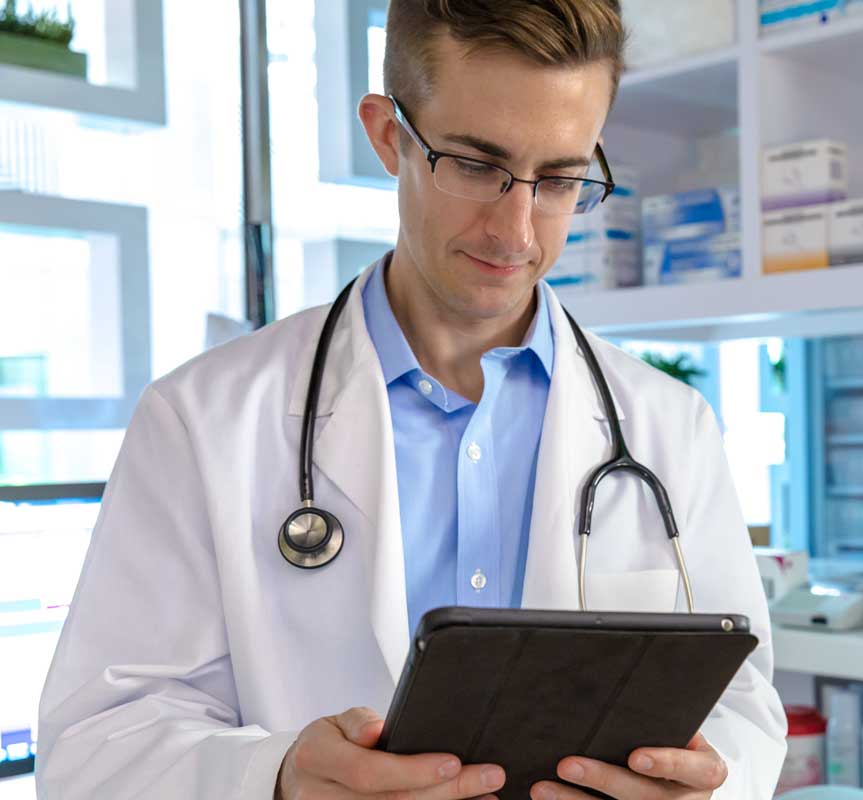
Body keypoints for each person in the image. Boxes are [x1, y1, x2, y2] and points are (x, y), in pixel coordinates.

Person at [36, 2, 787, 797]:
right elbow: (94, 745)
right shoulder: (205, 420)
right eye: (474, 164)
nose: (517, 232)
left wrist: (705, 784)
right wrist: (276, 777)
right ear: (388, 134)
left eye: (561, 179)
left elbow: (741, 705)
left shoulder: (670, 426)